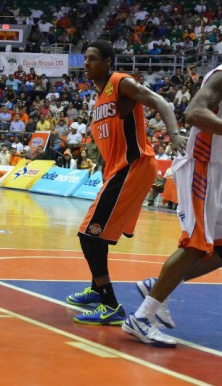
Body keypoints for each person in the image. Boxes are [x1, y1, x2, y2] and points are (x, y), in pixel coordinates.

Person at [65, 41, 187, 325]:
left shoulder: (120, 83)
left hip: (135, 165)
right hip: (118, 170)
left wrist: (174, 132)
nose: (87, 63)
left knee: (89, 235)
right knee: (97, 233)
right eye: (85, 59)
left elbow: (161, 102)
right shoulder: (98, 99)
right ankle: (97, 290)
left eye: (93, 59)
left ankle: (110, 305)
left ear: (108, 62)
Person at [123, 65, 222, 347]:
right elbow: (194, 113)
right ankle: (141, 319)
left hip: (219, 170)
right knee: (195, 244)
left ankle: (157, 287)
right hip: (202, 166)